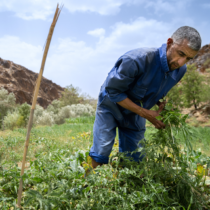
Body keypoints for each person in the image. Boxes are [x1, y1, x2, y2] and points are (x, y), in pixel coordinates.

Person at [89, 26, 201, 168]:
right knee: (101, 151)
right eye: (180, 53)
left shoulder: (180, 70)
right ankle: (88, 186)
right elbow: (114, 91)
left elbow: (157, 88)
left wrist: (161, 105)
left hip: (137, 111)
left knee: (135, 157)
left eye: (188, 59)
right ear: (169, 42)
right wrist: (146, 114)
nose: (181, 62)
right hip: (111, 105)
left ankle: (125, 186)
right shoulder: (137, 59)